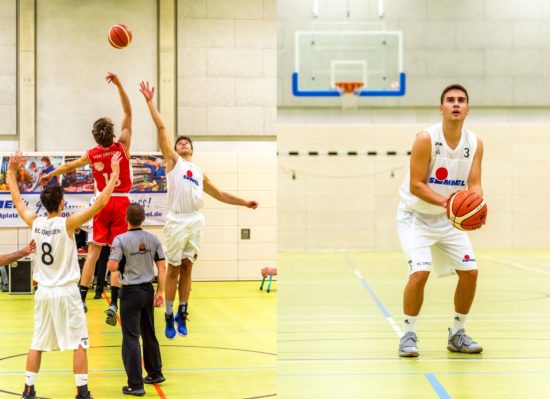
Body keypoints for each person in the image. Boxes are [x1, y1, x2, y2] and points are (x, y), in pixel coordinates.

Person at [139, 81, 258, 338]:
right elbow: (161, 128)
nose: (182, 144)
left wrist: (245, 202)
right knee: (173, 269)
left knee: (188, 267)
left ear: (192, 149)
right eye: (179, 142)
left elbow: (221, 194)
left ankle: (183, 312)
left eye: (186, 143)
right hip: (177, 220)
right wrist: (150, 101)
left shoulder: (199, 172)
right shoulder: (173, 162)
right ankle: (169, 315)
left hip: (195, 220)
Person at [8, 150, 121, 399]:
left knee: (37, 342)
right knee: (79, 342)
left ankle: (28, 389)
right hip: (67, 292)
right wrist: (113, 174)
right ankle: (82, 392)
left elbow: (17, 200)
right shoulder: (68, 224)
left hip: (44, 293)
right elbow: (101, 202)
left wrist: (11, 171)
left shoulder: (35, 222)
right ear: (61, 203)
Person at [397, 84, 484, 357]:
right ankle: (408, 334)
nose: (456, 104)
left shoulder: (475, 143)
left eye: (461, 100)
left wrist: (476, 207)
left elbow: (475, 183)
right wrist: (448, 203)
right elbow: (416, 185)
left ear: (467, 109)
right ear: (441, 108)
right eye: (450, 100)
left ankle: (457, 334)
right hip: (416, 216)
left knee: (470, 273)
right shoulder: (426, 138)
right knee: (419, 273)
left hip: (449, 220)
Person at [41, 72, 131, 321]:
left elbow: (69, 167)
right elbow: (128, 114)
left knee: (92, 253)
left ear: (95, 138)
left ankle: (81, 299)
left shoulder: (92, 154)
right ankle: (114, 303)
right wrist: (120, 85)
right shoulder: (122, 145)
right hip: (121, 199)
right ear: (113, 134)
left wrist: (51, 174)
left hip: (100, 202)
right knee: (117, 253)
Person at [107, 203, 166, 395]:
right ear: (143, 219)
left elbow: (112, 266)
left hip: (130, 293)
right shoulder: (153, 239)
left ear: (126, 219)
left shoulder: (120, 240)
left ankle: (135, 384)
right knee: (149, 332)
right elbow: (162, 268)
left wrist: (119, 261)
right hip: (148, 290)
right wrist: (160, 292)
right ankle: (155, 373)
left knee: (131, 338)